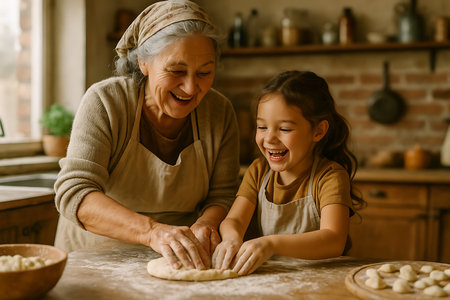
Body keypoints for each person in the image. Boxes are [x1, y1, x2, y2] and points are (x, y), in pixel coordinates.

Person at [53, 0, 240, 272]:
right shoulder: (106, 102)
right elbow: (75, 192)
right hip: (96, 258)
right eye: (176, 71)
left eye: (204, 73)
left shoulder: (220, 112)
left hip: (181, 258)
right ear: (143, 62)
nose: (190, 87)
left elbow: (223, 196)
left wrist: (205, 225)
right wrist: (152, 232)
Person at [212, 70, 365, 275]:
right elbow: (234, 220)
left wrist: (271, 244)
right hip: (277, 274)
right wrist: (231, 238)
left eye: (284, 129)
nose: (269, 139)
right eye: (262, 127)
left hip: (323, 277)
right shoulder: (258, 171)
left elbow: (333, 239)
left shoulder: (330, 176)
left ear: (318, 131)